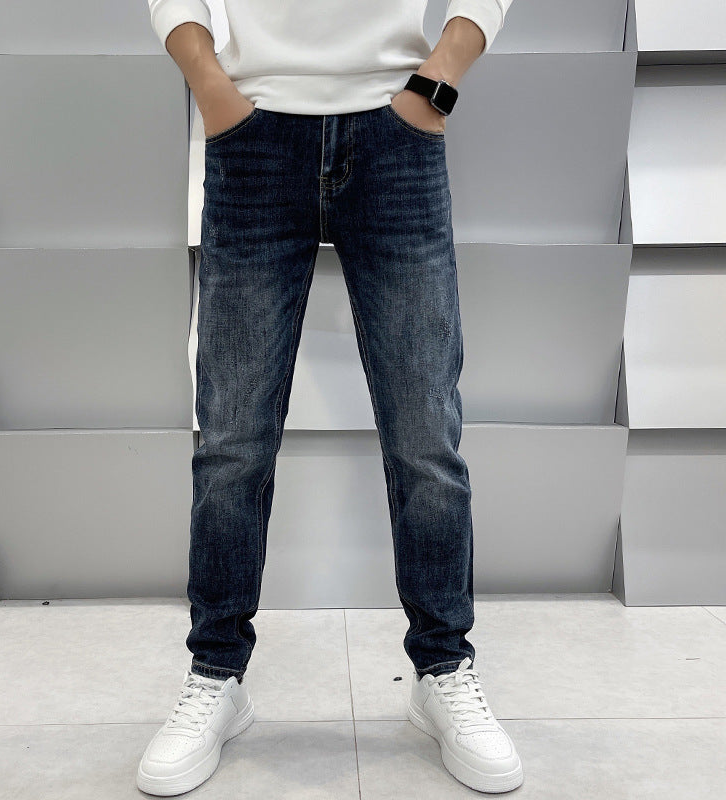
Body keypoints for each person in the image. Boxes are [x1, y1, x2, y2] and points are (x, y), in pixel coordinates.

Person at [138, 0, 522, 795]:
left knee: (426, 436)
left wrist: (438, 81)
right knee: (233, 443)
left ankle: (442, 670)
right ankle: (216, 676)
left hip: (396, 134)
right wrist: (212, 89)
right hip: (253, 133)